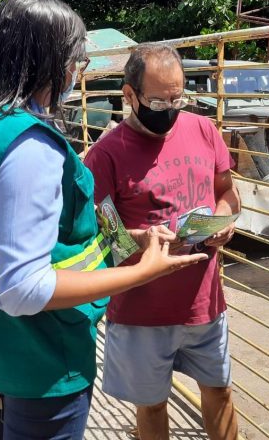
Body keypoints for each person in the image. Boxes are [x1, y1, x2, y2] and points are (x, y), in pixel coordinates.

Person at [0, 0, 207, 440]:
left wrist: (131, 238)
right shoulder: (28, 144)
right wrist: (143, 273)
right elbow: (24, 288)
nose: (75, 73)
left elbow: (25, 235)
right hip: (40, 361)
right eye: (76, 61)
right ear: (49, 60)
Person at [84, 43, 241, 440]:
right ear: (129, 95)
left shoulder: (203, 130)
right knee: (152, 405)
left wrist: (223, 221)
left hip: (204, 303)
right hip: (142, 311)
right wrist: (144, 239)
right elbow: (105, 236)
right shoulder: (105, 155)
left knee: (220, 392)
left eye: (177, 99)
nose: (169, 110)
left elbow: (227, 192)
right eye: (157, 101)